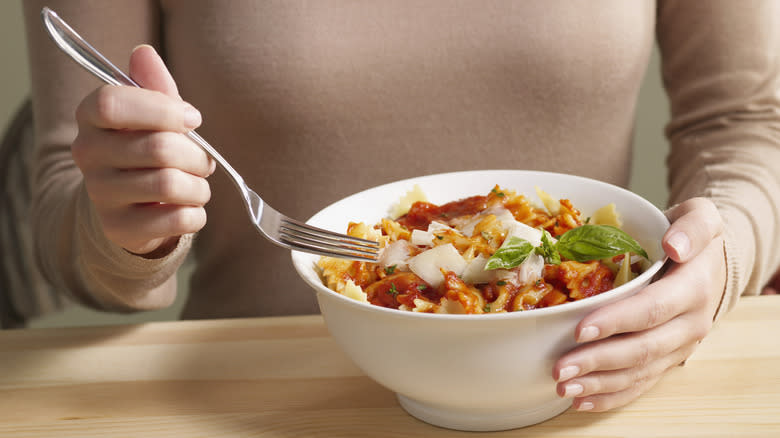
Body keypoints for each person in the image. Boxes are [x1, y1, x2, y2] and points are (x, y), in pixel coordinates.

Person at [22, 0, 780, 413]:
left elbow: (749, 122)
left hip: (584, 394)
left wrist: (716, 258)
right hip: (261, 406)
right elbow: (62, 191)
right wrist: (126, 219)